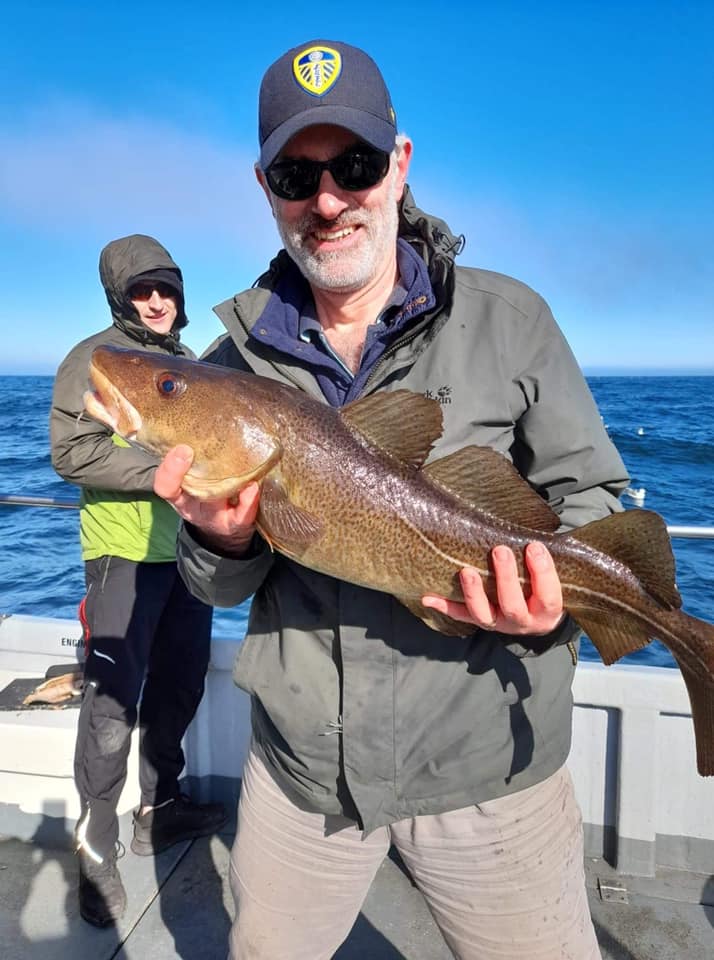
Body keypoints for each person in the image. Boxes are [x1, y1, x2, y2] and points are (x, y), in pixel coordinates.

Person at [155, 41, 629, 959]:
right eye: (299, 172)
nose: (328, 199)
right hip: (302, 776)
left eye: (355, 165)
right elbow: (215, 588)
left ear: (399, 166)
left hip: (489, 762)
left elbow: (591, 495)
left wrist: (550, 605)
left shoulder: (511, 318)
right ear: (267, 185)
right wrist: (221, 542)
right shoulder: (231, 367)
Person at [50, 234, 226, 928]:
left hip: (190, 553)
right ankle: (95, 851)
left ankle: (163, 806)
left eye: (166, 289)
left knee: (181, 684)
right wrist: (152, 476)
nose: (157, 302)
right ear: (119, 298)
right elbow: (70, 450)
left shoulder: (188, 364)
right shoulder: (95, 361)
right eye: (141, 291)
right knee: (113, 702)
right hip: (122, 555)